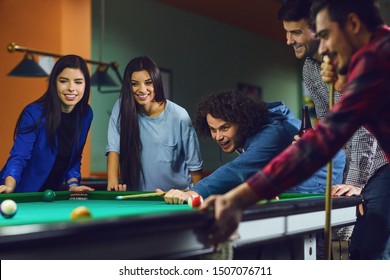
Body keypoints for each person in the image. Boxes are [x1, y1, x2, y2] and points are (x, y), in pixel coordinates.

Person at [203, 0, 390, 260]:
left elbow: (326, 139)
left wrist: (237, 199)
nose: (323, 48)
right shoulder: (374, 52)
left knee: (368, 250)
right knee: (363, 251)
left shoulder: (377, 60)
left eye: (325, 35)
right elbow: (331, 128)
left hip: (382, 165)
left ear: (354, 24)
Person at [278, 0, 388, 258]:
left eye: (296, 32)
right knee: (359, 250)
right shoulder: (310, 68)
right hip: (363, 163)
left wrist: (355, 181)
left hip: (384, 158)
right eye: (286, 32)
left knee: (371, 250)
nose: (288, 40)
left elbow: (363, 128)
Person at [163, 90, 344, 205]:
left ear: (243, 122)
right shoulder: (257, 131)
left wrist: (193, 192)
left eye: (224, 128)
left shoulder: (272, 133)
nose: (218, 136)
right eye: (213, 129)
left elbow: (239, 170)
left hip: (323, 184)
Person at [106, 56, 203, 192]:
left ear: (156, 82)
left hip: (176, 200)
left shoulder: (179, 116)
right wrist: (113, 184)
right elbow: (113, 149)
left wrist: (197, 197)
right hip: (137, 199)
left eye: (148, 82)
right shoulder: (121, 108)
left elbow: (195, 167)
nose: (142, 89)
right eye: (135, 84)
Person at [0, 55, 94, 193]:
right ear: (54, 83)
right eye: (63, 81)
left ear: (85, 85)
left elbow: (74, 157)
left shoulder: (85, 114)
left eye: (78, 82)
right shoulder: (34, 113)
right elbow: (19, 155)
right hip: (17, 193)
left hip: (49, 196)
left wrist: (73, 184)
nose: (71, 88)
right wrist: (9, 185)